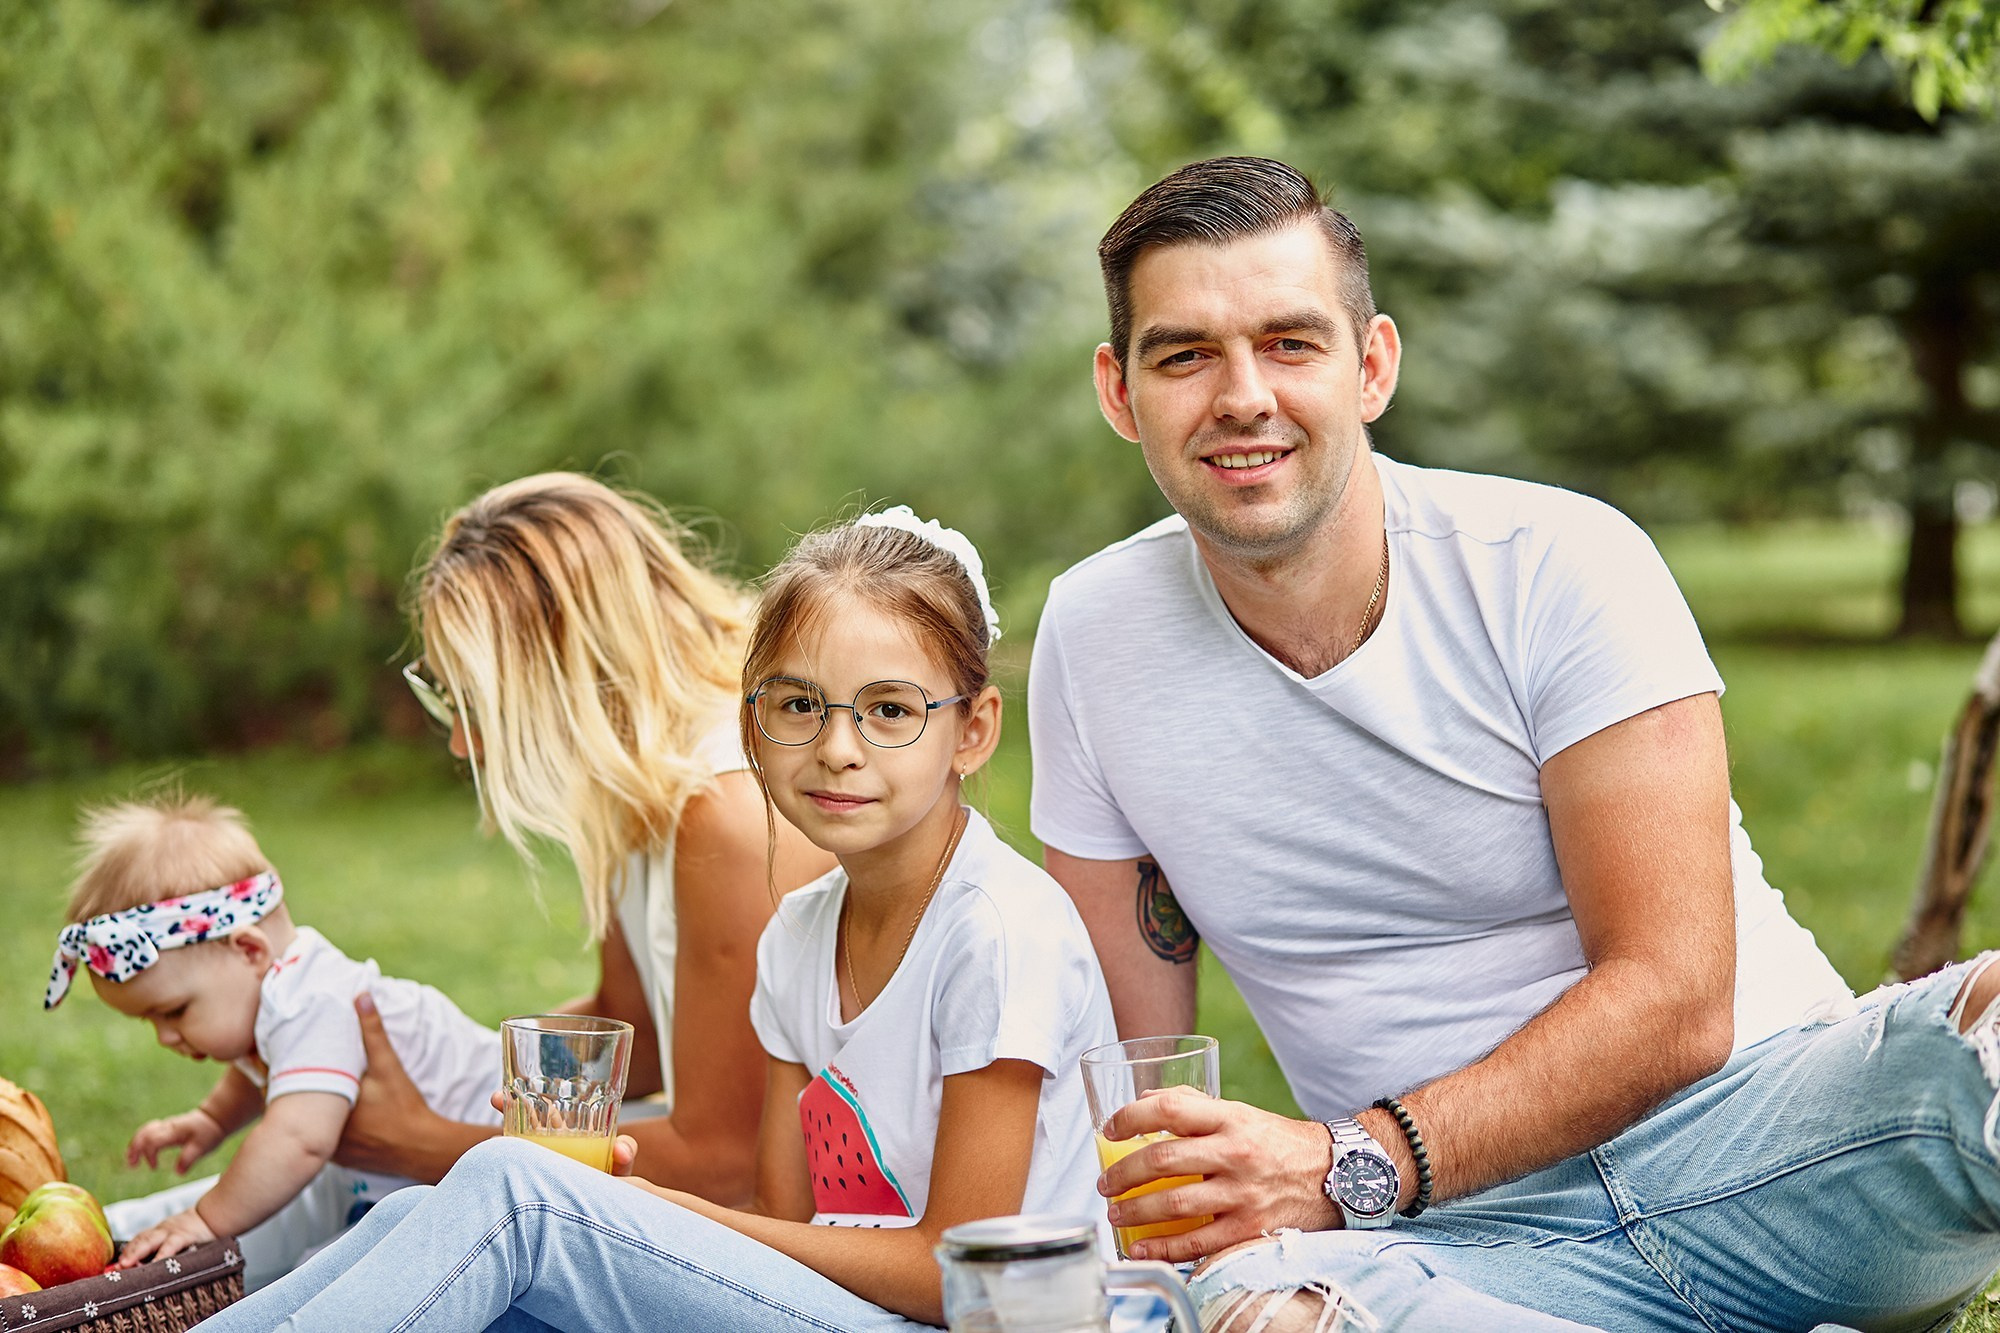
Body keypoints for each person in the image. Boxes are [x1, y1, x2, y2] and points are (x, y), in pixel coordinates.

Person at [1029, 155, 2000, 1330]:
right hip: (1455, 1246)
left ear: (1371, 365)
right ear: (1118, 391)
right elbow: (1129, 1072)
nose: (1241, 396)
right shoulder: (1093, 637)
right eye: (1184, 355)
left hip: (1776, 1146)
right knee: (1260, 1312)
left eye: (1289, 344)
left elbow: (1675, 1000)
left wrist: (1344, 1162)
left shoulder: (1554, 563)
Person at [194, 507, 1120, 1332]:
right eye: (800, 704)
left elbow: (958, 1275)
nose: (838, 747)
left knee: (517, 1190)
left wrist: (650, 1209)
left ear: (974, 729)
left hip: (980, 1319)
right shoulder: (801, 935)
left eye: (890, 710)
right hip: (837, 1303)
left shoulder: (998, 932)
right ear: (754, 721)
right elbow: (782, 1219)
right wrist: (627, 1208)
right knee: (425, 1216)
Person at [338, 472, 832, 1200]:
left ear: (569, 676)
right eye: (445, 696)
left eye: (475, 702)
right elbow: (639, 1034)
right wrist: (433, 1056)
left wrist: (423, 1144)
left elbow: (730, 1157)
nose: (463, 743)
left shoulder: (730, 810)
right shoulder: (640, 780)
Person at [45, 795, 500, 1286]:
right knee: (320, 1269)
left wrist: (205, 1220)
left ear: (248, 950)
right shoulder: (285, 993)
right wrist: (212, 1119)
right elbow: (267, 1068)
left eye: (174, 1011)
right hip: (401, 1182)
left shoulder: (313, 1002)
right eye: (149, 1021)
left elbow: (298, 1139)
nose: (166, 1036)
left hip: (489, 1171)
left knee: (317, 1283)